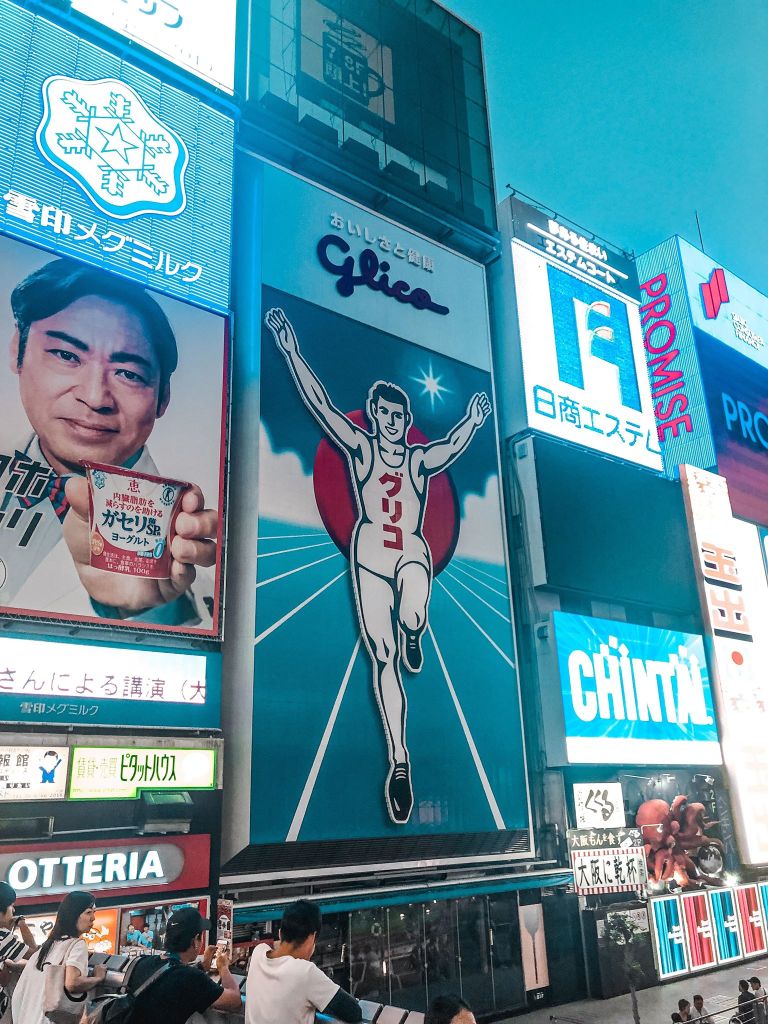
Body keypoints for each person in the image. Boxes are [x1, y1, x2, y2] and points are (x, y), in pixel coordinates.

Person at [265, 307, 491, 824]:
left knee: (412, 610)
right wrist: (291, 351)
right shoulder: (362, 451)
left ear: (407, 421)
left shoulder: (417, 460)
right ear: (374, 414)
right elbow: (321, 406)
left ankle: (415, 629)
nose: (392, 422)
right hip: (369, 555)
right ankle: (399, 761)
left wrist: (473, 421)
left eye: (399, 416)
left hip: (410, 550)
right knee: (382, 659)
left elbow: (451, 447)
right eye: (385, 414)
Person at [1, 258, 218, 626]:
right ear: (17, 350)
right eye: (67, 355)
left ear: (163, 397)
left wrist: (146, 610)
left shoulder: (194, 547)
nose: (94, 397)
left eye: (128, 374)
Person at [245, 900, 361, 1024]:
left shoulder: (258, 953)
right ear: (312, 938)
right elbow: (353, 1012)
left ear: (280, 933)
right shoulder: (305, 972)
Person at [126, 906, 241, 1023]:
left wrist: (202, 966)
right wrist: (223, 967)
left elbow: (174, 976)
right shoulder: (191, 978)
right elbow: (235, 1000)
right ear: (195, 941)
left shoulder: (142, 962)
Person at [12, 890, 107, 1024]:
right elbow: (72, 983)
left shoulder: (47, 946)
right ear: (74, 915)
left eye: (94, 912)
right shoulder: (77, 945)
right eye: (88, 912)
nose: (93, 918)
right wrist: (98, 978)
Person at [0, 881, 38, 1022]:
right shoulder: (3, 938)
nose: (14, 911)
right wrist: (22, 924)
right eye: (11, 906)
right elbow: (35, 954)